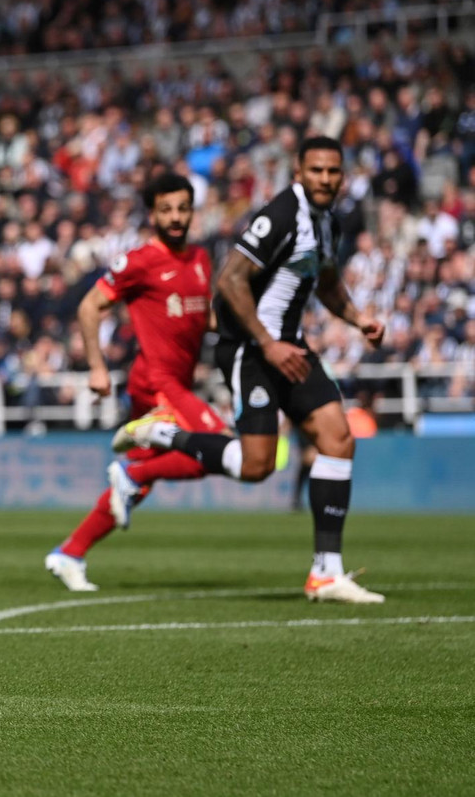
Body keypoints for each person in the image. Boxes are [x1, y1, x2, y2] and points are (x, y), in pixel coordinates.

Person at [119, 137, 387, 604]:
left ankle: (326, 572)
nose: (325, 179)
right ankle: (162, 434)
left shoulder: (329, 222)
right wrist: (267, 342)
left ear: (343, 176)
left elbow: (326, 282)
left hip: (289, 347)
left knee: (338, 439)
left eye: (333, 171)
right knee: (255, 465)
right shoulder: (281, 214)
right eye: (317, 170)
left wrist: (358, 318)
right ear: (298, 172)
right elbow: (230, 278)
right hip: (250, 348)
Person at [45, 174, 225, 591]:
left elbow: (203, 316)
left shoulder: (200, 257)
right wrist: (97, 367)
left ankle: (70, 553)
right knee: (217, 447)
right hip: (156, 382)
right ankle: (132, 472)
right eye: (166, 210)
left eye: (183, 208)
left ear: (192, 212)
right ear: (153, 215)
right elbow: (89, 307)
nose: (176, 217)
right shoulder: (139, 261)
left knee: (142, 481)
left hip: (177, 382)